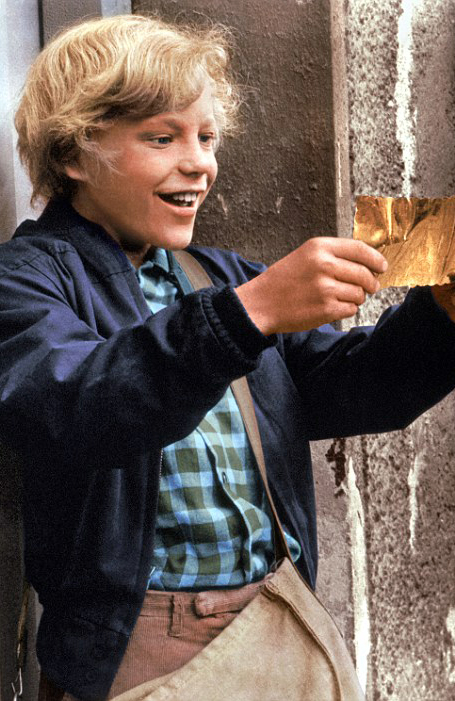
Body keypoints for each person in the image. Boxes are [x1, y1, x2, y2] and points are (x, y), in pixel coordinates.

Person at [2, 13, 455, 701]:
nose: (199, 163)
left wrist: (443, 311)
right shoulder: (25, 278)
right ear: (74, 153)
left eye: (207, 137)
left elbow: (355, 390)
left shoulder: (217, 275)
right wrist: (251, 312)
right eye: (162, 138)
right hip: (134, 650)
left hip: (278, 622)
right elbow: (78, 404)